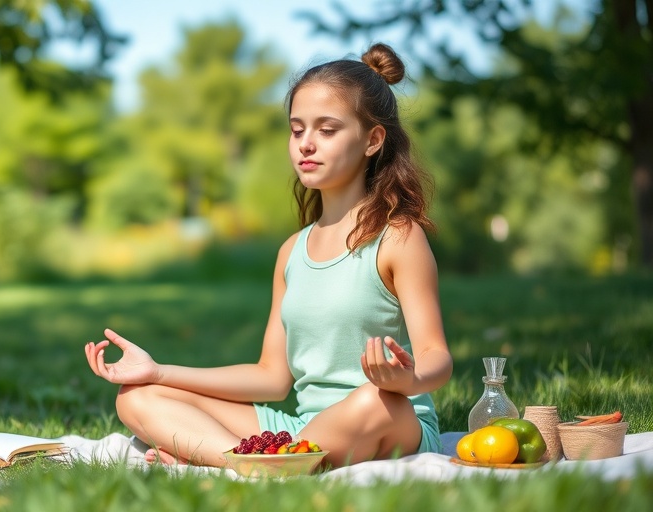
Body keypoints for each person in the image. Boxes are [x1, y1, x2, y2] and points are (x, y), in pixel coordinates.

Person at [83, 43, 453, 468]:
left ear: (372, 140)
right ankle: (251, 464)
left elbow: (436, 358)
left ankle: (246, 461)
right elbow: (271, 378)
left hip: (389, 420)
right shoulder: (291, 252)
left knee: (373, 400)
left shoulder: (398, 237)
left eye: (327, 130)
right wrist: (158, 371)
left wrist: (408, 379)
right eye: (297, 130)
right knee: (139, 398)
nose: (306, 145)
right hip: (304, 429)